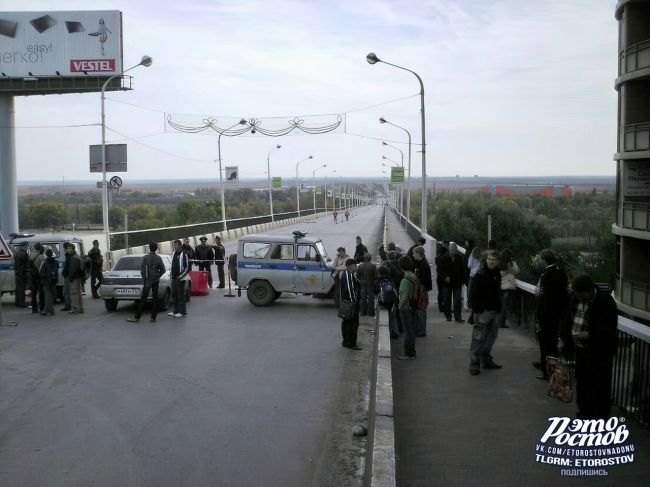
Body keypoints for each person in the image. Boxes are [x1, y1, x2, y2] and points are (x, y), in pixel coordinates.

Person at [559, 275, 618, 420]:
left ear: (588, 291)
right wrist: (563, 339)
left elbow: (610, 326)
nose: (578, 297)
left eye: (580, 294)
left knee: (599, 385)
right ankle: (584, 413)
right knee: (583, 382)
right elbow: (566, 319)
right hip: (581, 350)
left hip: (599, 352)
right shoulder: (575, 298)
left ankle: (599, 418)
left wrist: (591, 334)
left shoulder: (605, 301)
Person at [534, 249, 569, 380]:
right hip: (559, 313)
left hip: (546, 314)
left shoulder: (546, 275)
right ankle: (553, 370)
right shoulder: (561, 273)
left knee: (545, 343)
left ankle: (546, 371)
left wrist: (539, 315)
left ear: (544, 260)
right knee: (553, 344)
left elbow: (541, 295)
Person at [469, 250, 502, 375]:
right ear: (486, 260)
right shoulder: (480, 275)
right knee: (478, 338)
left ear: (497, 261)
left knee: (491, 337)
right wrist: (479, 309)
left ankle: (485, 360)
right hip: (483, 312)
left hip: (494, 310)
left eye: (494, 259)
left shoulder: (497, 274)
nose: (491, 261)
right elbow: (473, 294)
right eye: (489, 259)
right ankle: (474, 364)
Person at [128, 242, 166, 323]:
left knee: (143, 299)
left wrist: (145, 278)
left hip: (148, 280)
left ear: (149, 248)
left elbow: (142, 270)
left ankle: (137, 317)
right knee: (155, 299)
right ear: (156, 248)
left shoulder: (145, 258)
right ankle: (153, 318)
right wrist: (157, 276)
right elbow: (163, 270)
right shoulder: (158, 258)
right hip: (156, 280)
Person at [397, 256, 417, 360]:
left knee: (408, 330)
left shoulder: (405, 279)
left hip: (406, 308)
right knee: (411, 329)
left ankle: (409, 353)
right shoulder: (413, 276)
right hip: (413, 306)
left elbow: (404, 296)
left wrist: (399, 307)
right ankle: (412, 352)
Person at [339, 258, 361, 350]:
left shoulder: (348, 274)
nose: (356, 267)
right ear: (350, 266)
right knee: (352, 324)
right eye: (355, 265)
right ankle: (351, 343)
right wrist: (354, 303)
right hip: (350, 304)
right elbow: (350, 290)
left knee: (346, 323)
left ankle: (346, 341)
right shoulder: (349, 275)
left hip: (347, 303)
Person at [440, 243, 465, 323]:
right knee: (447, 300)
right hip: (447, 283)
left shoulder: (459, 258)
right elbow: (440, 270)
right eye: (451, 250)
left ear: (456, 250)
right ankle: (448, 316)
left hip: (457, 282)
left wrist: (463, 280)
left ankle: (458, 317)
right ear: (449, 249)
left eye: (454, 250)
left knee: (457, 300)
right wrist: (445, 276)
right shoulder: (444, 258)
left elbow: (463, 270)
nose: (452, 252)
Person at [496, 248, 519, 329]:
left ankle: (499, 322)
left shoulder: (498, 263)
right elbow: (517, 271)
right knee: (504, 306)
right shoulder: (511, 264)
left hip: (500, 286)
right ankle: (501, 322)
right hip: (508, 287)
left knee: (501, 305)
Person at [412, 246, 432, 337]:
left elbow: (424, 279)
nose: (413, 255)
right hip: (421, 290)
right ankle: (419, 329)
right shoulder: (420, 263)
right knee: (419, 309)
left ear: (418, 254)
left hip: (421, 291)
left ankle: (421, 330)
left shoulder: (423, 265)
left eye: (414, 253)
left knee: (420, 310)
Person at [376, 266, 399, 338]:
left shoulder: (378, 281)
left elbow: (376, 291)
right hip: (392, 302)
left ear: (379, 273)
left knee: (385, 320)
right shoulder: (390, 280)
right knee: (393, 318)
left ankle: (387, 334)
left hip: (383, 303)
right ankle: (395, 332)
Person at [169, 239, 189, 318]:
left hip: (180, 278)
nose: (175, 247)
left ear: (180, 246)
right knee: (173, 294)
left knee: (180, 295)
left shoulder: (184, 254)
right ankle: (175, 311)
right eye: (174, 245)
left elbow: (187, 267)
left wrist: (181, 276)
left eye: (176, 245)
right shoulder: (174, 253)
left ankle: (183, 312)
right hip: (173, 277)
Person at [39, 248, 59, 316]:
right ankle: (45, 310)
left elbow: (41, 273)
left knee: (47, 296)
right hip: (53, 281)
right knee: (51, 296)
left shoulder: (44, 263)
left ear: (46, 254)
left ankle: (51, 311)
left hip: (46, 282)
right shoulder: (56, 262)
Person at [466, 246, 482, 324]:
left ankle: (469, 304)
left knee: (470, 293)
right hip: (478, 277)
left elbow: (469, 265)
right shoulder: (481, 258)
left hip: (472, 276)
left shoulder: (472, 256)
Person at [67, 244, 84, 314]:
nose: (68, 250)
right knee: (79, 294)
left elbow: (72, 270)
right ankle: (80, 308)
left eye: (69, 249)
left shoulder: (73, 258)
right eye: (68, 248)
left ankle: (75, 309)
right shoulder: (77, 257)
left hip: (74, 278)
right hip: (78, 278)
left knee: (74, 294)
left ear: (73, 249)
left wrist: (70, 278)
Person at [29, 243, 45, 313]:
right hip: (39, 276)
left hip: (32, 276)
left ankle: (34, 309)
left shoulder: (31, 254)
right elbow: (42, 267)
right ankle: (42, 308)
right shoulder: (41, 256)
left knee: (33, 293)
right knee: (41, 293)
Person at [13, 242, 29, 308]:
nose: (27, 248)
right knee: (22, 289)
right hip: (22, 273)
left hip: (17, 273)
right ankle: (21, 303)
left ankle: (17, 302)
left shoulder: (16, 253)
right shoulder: (24, 254)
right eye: (26, 247)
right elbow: (27, 264)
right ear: (23, 246)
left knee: (18, 289)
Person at [434, 245, 449, 315]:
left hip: (439, 277)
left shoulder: (437, 258)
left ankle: (441, 307)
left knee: (440, 293)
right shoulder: (443, 258)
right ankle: (444, 307)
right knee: (444, 293)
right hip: (443, 277)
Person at [60, 242, 72, 311]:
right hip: (69, 275)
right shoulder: (70, 255)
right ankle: (69, 305)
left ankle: (68, 305)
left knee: (66, 291)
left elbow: (67, 266)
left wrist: (64, 273)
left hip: (67, 275)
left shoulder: (67, 256)